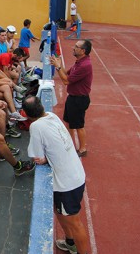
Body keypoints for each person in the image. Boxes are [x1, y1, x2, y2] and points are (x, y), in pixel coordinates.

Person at [23, 96, 88, 254]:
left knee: (74, 222)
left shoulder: (36, 126)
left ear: (26, 114)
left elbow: (36, 157)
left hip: (67, 184)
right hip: (76, 174)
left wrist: (43, 158)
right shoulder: (51, 116)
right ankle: (70, 243)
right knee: (61, 212)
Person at [50, 40, 93, 157]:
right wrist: (58, 64)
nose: (73, 48)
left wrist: (58, 68)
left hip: (79, 99)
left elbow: (65, 80)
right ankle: (70, 144)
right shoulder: (79, 62)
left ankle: (83, 149)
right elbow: (66, 73)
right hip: (73, 97)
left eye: (76, 47)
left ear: (83, 51)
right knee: (69, 122)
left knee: (79, 125)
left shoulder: (85, 65)